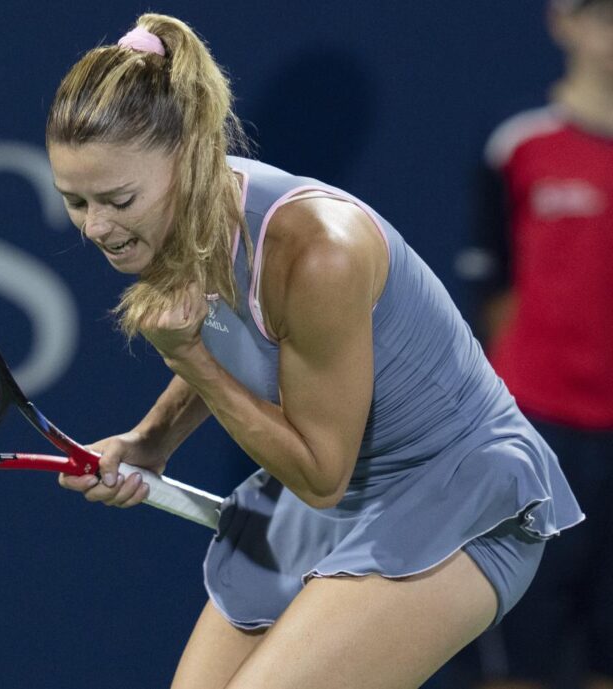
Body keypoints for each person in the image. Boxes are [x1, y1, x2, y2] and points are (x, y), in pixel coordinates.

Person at [46, 14, 584, 689]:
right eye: (74, 201)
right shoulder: (184, 212)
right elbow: (248, 339)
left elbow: (321, 474)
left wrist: (191, 361)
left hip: (458, 494)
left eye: (117, 199)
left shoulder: (317, 252)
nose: (96, 226)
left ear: (189, 156)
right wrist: (151, 440)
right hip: (331, 495)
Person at [456, 1, 613, 687]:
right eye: (602, 14)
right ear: (563, 21)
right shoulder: (517, 144)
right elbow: (493, 295)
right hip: (539, 438)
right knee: (518, 656)